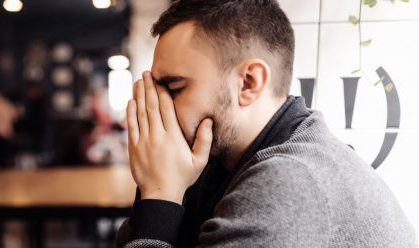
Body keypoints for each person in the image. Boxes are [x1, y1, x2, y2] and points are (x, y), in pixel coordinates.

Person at [117, 0, 417, 247]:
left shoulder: (288, 181)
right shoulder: (214, 164)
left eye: (174, 87)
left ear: (248, 83)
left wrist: (158, 195)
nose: (158, 106)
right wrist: (160, 192)